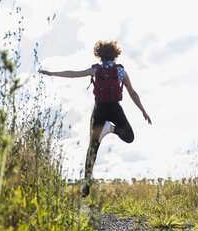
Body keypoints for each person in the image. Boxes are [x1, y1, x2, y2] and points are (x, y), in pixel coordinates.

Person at [39, 40, 151, 197]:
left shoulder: (96, 70)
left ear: (100, 55)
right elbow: (133, 93)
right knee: (129, 136)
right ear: (115, 54)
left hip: (99, 110)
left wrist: (52, 74)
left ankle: (86, 180)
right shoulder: (120, 71)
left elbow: (72, 74)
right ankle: (111, 128)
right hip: (115, 109)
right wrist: (143, 111)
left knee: (93, 148)